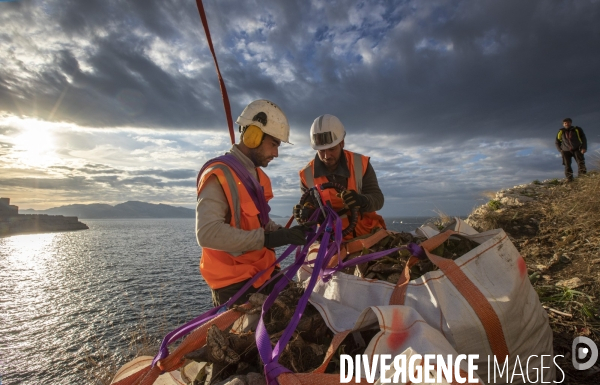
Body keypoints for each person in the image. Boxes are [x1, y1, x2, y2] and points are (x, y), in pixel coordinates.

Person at [196, 99, 309, 307]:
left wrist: (287, 233)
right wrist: (267, 239)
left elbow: (259, 222)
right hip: (234, 283)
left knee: (307, 309)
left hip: (263, 272)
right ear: (253, 136)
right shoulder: (219, 175)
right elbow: (207, 233)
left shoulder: (259, 177)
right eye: (274, 144)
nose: (276, 153)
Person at [296, 114, 386, 239]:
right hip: (333, 241)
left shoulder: (360, 163)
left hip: (369, 236)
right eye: (321, 151)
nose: (327, 156)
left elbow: (378, 199)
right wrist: (305, 214)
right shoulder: (306, 175)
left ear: (342, 143)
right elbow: (310, 212)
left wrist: (361, 200)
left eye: (331, 149)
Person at [555, 118, 587, 182]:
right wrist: (560, 150)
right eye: (565, 123)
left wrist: (584, 147)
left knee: (581, 163)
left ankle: (582, 178)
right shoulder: (561, 132)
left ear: (571, 123)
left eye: (568, 122)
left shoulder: (577, 129)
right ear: (563, 124)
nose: (567, 124)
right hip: (565, 151)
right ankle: (569, 179)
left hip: (577, 149)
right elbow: (557, 142)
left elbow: (583, 138)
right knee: (567, 165)